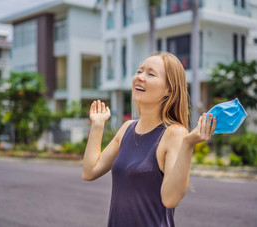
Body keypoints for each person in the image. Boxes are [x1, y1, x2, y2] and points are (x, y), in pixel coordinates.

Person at [82, 52, 216, 227]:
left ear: (169, 89)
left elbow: (170, 199)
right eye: (139, 71)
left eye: (150, 74)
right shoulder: (126, 128)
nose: (140, 77)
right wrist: (98, 125)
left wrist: (188, 144)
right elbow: (89, 172)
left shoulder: (174, 134)